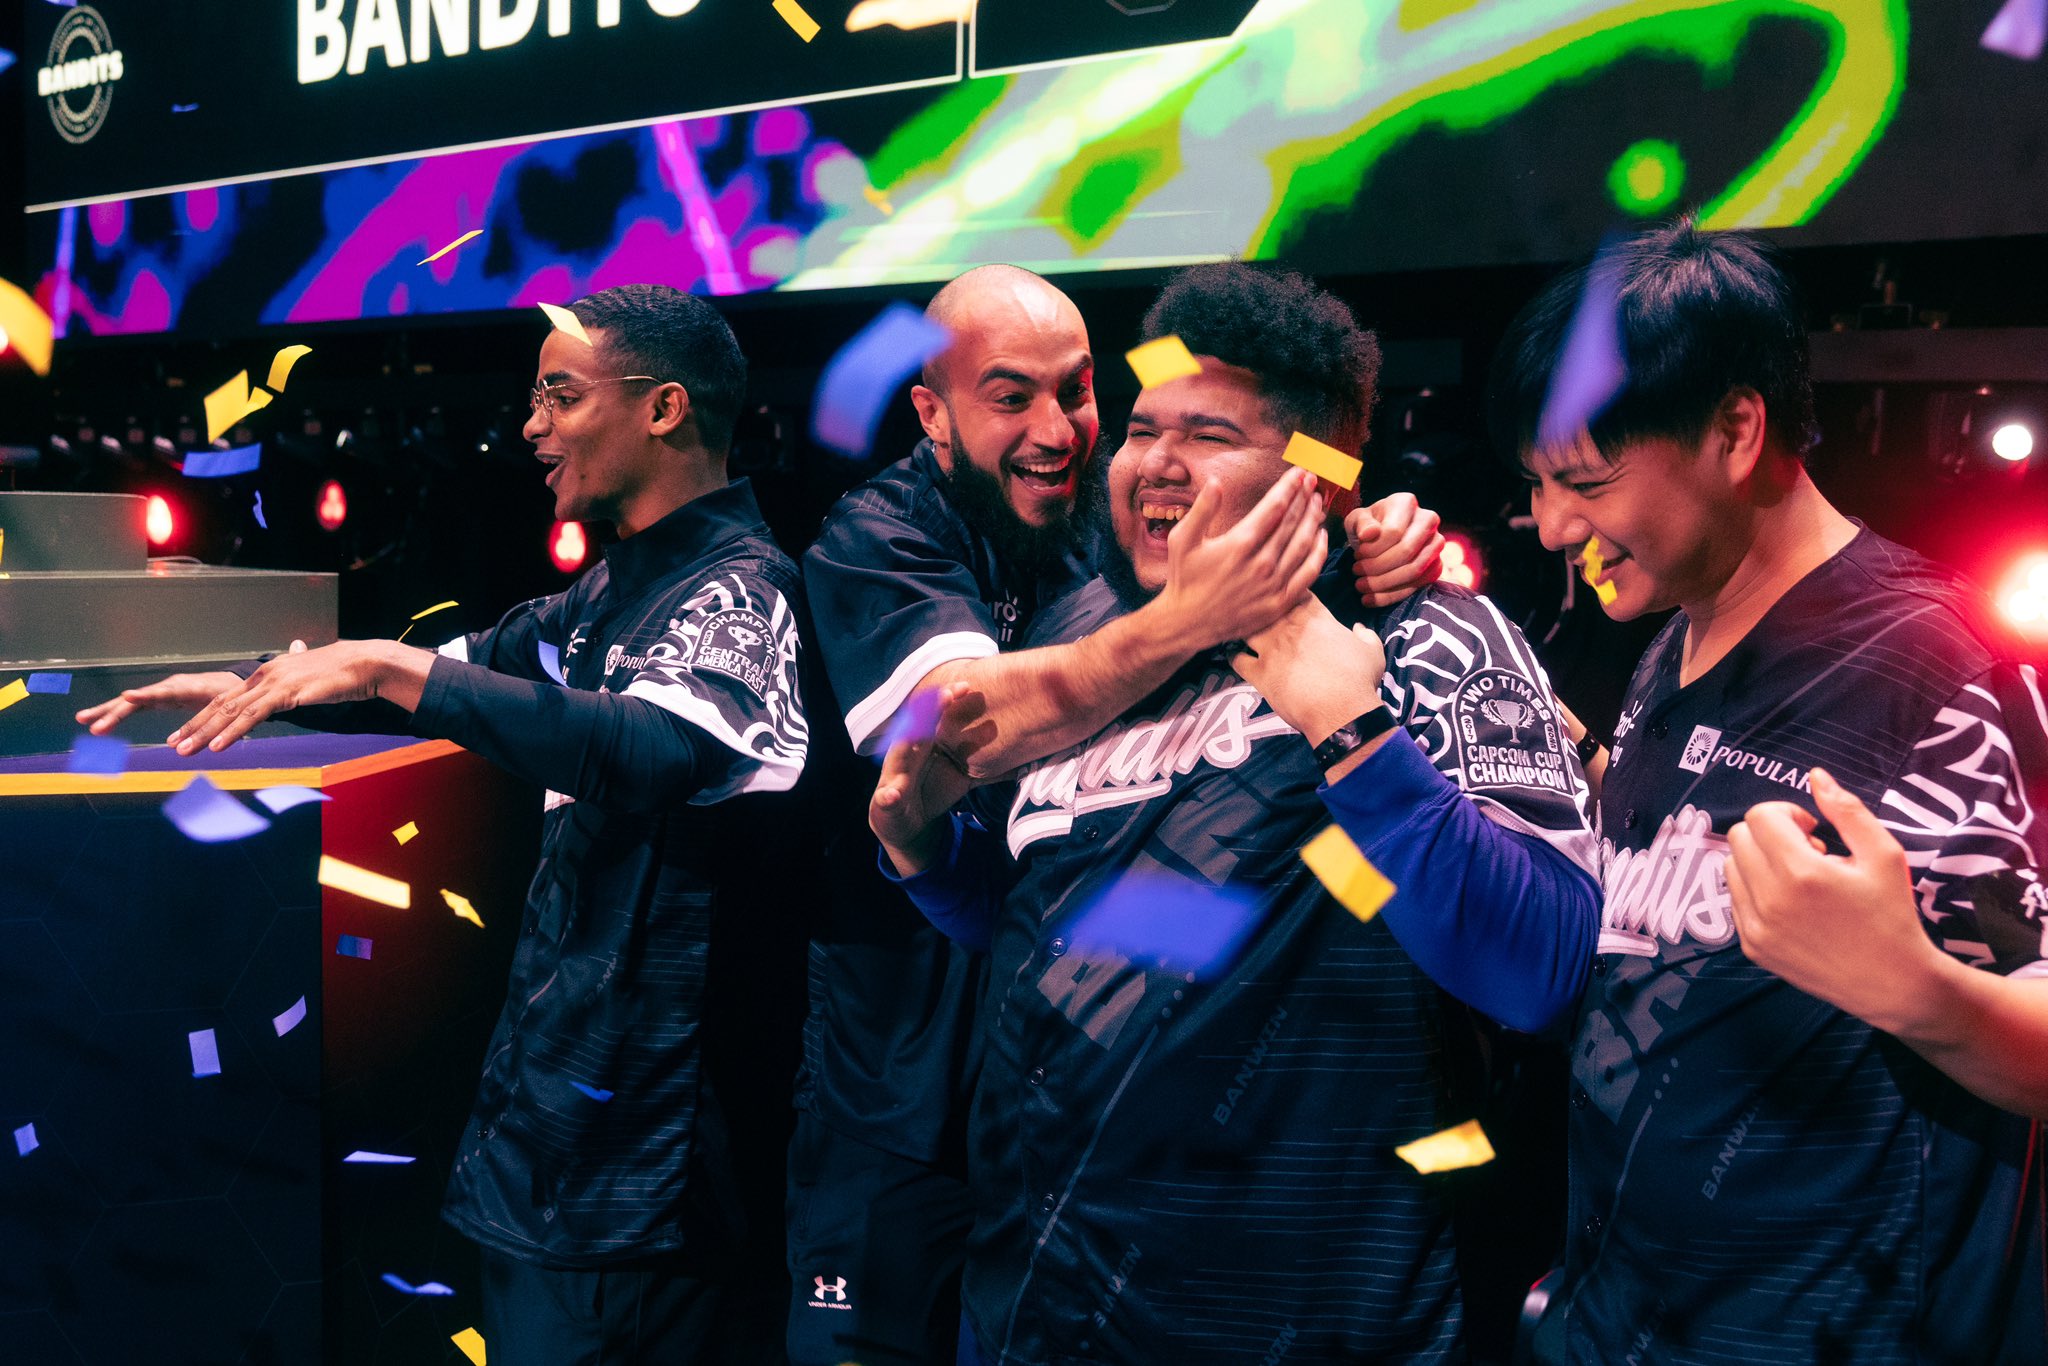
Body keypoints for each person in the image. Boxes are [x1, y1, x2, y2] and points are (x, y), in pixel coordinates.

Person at [871, 261, 1603, 1364]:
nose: (1154, 462)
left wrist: (1353, 733)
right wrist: (927, 853)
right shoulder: (1083, 643)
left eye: (1207, 434)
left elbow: (1545, 964)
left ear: (1317, 477)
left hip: (1308, 1318)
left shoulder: (1421, 633)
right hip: (1033, 1310)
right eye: (1141, 429)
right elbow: (1045, 921)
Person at [79, 284, 810, 1365]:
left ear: (663, 408)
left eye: (560, 397)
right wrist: (259, 683)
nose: (532, 428)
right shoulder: (606, 593)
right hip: (547, 1153)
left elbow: (651, 748)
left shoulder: (744, 593)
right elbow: (453, 672)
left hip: (644, 1179)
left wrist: (388, 665)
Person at [1492, 221, 2048, 1362]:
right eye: (1536, 486)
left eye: (1584, 482)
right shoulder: (1671, 638)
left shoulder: (1940, 668)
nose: (1550, 527)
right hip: (1616, 1321)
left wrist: (1914, 989)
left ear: (1735, 431)